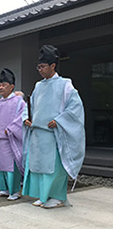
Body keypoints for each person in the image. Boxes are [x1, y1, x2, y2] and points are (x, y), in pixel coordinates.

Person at [22, 45, 85, 208]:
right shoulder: (38, 86)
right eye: (39, 66)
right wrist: (26, 119)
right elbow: (30, 106)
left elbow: (75, 108)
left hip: (54, 134)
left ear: (53, 66)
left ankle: (58, 197)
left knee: (54, 168)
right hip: (37, 133)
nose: (40, 70)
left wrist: (59, 120)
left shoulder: (65, 85)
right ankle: (43, 196)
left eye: (43, 66)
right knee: (38, 166)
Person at [0, 68, 25, 200]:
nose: (1, 88)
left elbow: (21, 118)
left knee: (10, 167)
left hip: (10, 140)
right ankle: (3, 188)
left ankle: (14, 191)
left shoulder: (19, 102)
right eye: (0, 85)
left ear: (12, 87)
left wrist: (11, 129)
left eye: (4, 85)